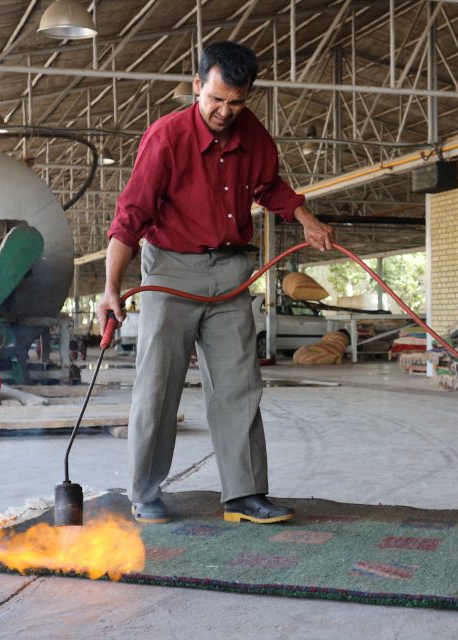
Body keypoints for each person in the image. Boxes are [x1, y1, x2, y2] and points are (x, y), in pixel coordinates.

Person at [97, 41, 334, 525]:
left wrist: (306, 218)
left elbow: (270, 186)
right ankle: (144, 491)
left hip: (230, 272)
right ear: (197, 86)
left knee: (239, 385)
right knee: (158, 385)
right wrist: (110, 288)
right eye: (216, 99)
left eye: (237, 102)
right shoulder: (166, 138)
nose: (226, 111)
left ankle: (244, 496)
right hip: (170, 272)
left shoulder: (252, 133)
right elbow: (131, 218)